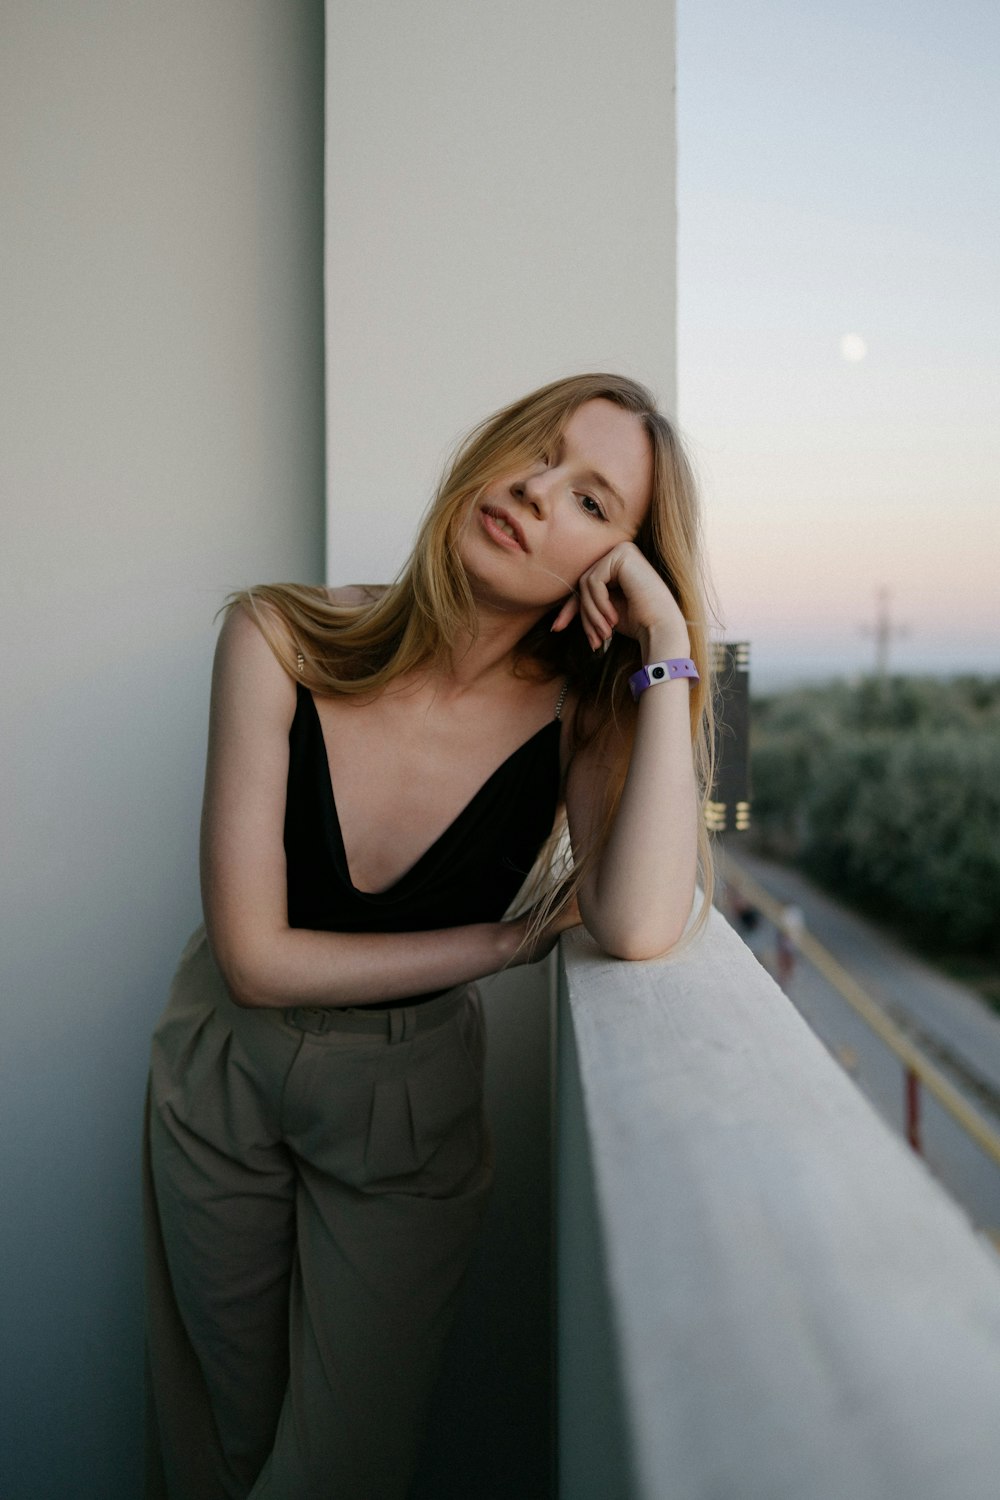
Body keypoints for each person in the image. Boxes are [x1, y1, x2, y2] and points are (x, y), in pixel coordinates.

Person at [142, 372, 716, 1499]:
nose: (536, 491)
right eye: (536, 453)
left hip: (405, 1107)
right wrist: (499, 948)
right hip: (218, 1067)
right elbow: (255, 960)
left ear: (613, 566)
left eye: (593, 503)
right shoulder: (279, 634)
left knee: (339, 1470)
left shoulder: (583, 716)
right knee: (218, 1444)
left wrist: (668, 636)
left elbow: (641, 921)